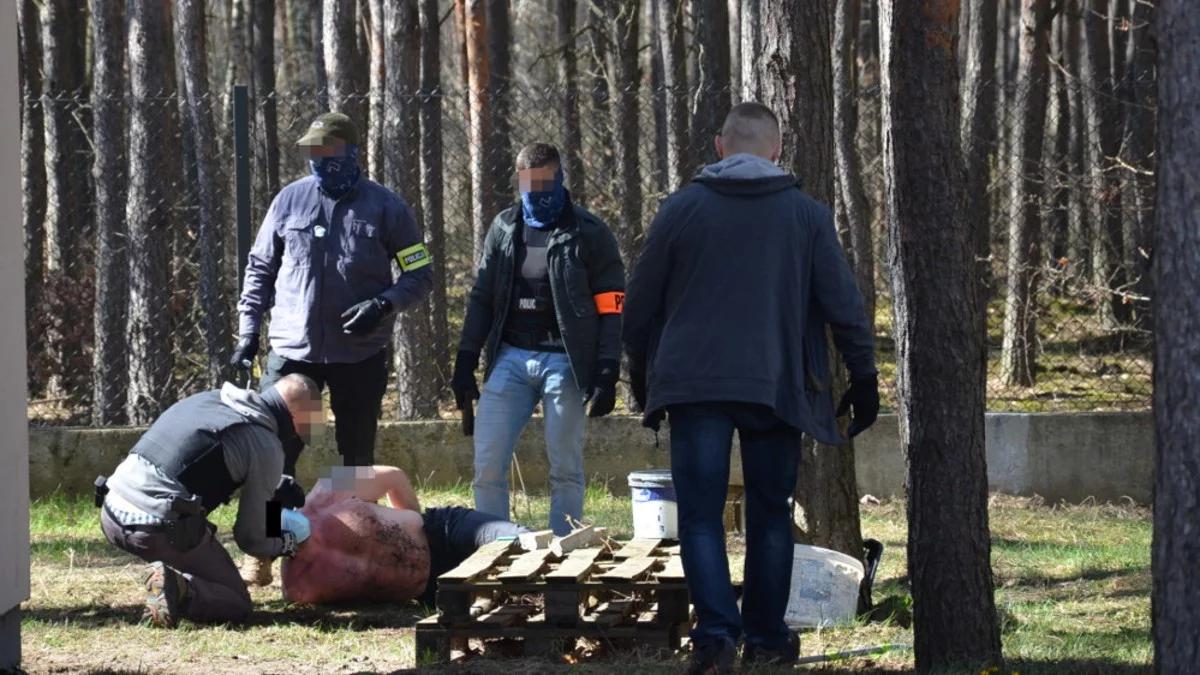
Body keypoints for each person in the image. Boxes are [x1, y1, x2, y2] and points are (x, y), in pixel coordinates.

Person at [622, 102, 880, 673]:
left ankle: (715, 638)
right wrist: (864, 376)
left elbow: (638, 303)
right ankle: (766, 638)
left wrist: (640, 373)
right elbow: (844, 304)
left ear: (719, 147)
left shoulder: (681, 209)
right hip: (776, 384)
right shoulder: (806, 216)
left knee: (698, 517)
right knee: (769, 512)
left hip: (693, 384)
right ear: (777, 149)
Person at [233, 112, 433, 586]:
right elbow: (260, 268)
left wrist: (383, 304)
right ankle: (264, 550)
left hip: (358, 355)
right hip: (293, 353)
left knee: (355, 460)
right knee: (276, 455)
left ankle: (348, 551)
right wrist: (246, 333)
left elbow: (419, 273)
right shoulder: (288, 201)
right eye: (313, 157)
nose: (321, 166)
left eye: (331, 156)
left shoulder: (386, 208)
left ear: (353, 155)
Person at [450, 143, 626, 536]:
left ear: (562, 178)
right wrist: (466, 359)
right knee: (488, 464)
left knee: (565, 467)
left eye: (548, 186)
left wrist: (606, 367)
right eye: (532, 188)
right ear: (519, 182)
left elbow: (612, 306)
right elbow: (482, 297)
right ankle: (495, 548)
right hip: (510, 357)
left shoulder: (590, 233)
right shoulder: (504, 228)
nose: (540, 197)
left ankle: (564, 554)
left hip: (565, 361)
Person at [96, 375, 324, 627]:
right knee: (236, 602)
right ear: (297, 414)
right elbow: (250, 539)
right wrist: (290, 544)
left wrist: (271, 486)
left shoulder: (210, 398)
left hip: (111, 508)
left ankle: (171, 575)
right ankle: (176, 586)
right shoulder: (266, 445)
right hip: (154, 528)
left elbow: (195, 458)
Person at [280, 465, 526, 606]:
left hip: (443, 532)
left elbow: (393, 476)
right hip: (430, 590)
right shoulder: (298, 587)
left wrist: (410, 526)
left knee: (524, 544)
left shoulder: (331, 484)